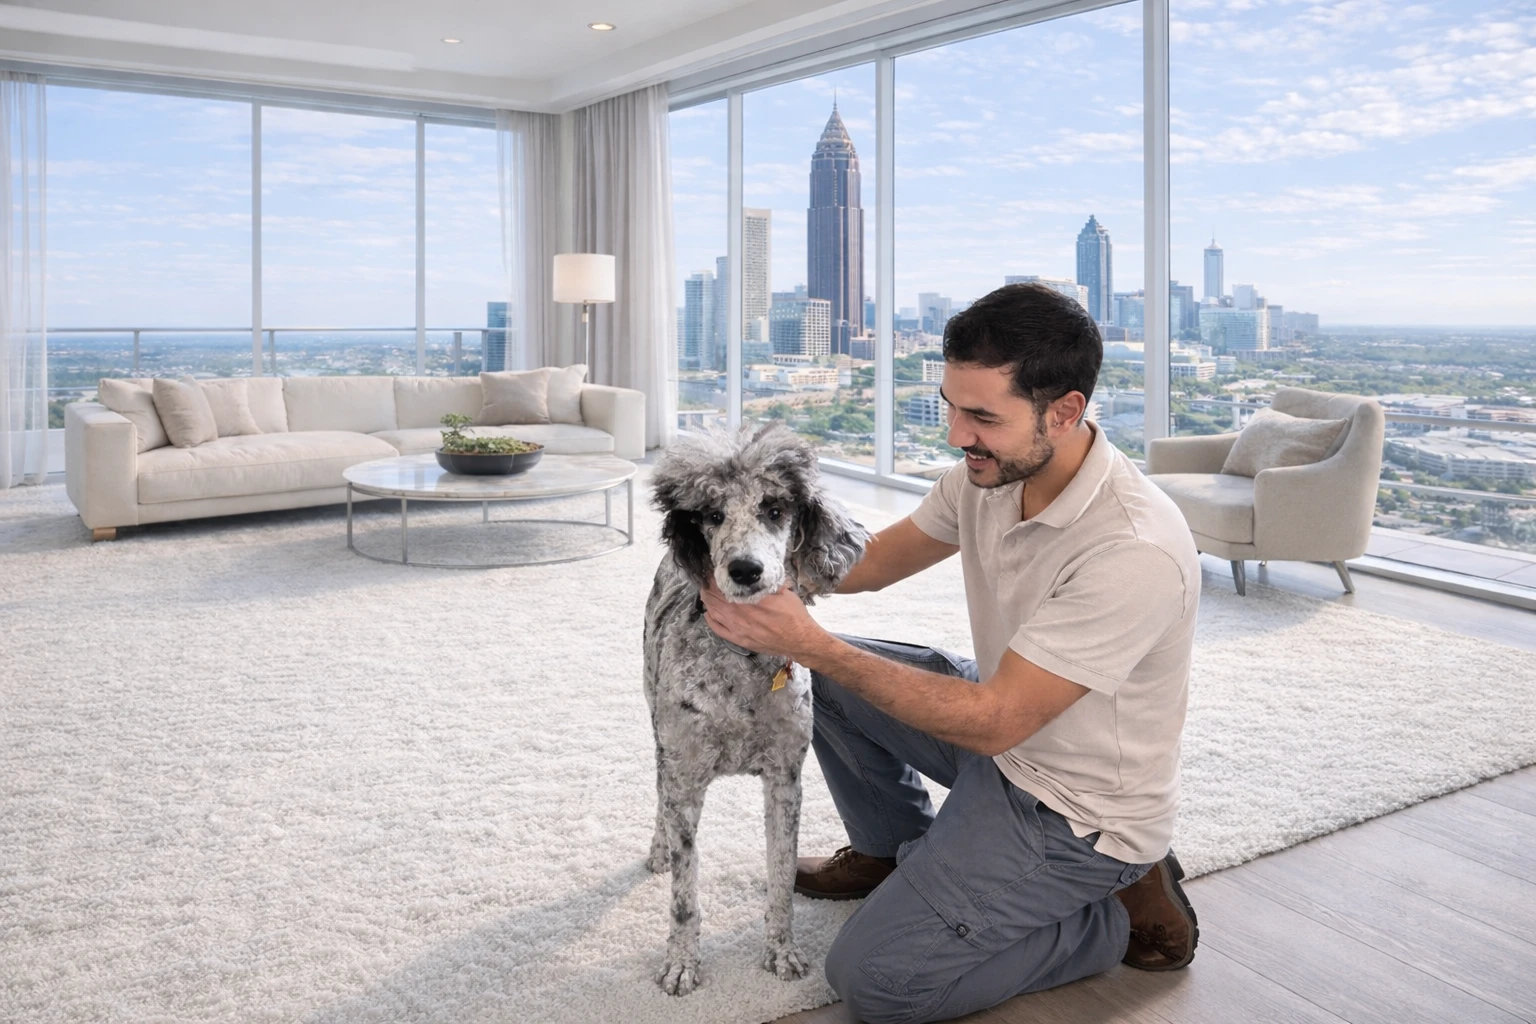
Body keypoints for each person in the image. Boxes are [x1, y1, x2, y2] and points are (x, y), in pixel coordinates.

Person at [698, 282, 1201, 1024]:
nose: (955, 434)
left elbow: (996, 722)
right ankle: (889, 847)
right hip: (1006, 731)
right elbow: (867, 562)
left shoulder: (1133, 548)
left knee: (877, 981)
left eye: (982, 417)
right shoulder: (991, 475)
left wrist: (811, 641)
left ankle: (1113, 911)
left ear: (1064, 412)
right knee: (813, 673)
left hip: (1072, 804)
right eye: (951, 406)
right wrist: (754, 558)